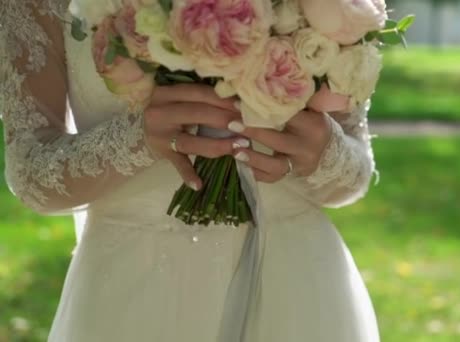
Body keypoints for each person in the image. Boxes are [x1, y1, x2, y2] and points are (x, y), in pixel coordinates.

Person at [0, 1, 379, 341]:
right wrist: (136, 139)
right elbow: (32, 175)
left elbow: (355, 173)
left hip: (298, 285)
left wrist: (324, 151)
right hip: (133, 292)